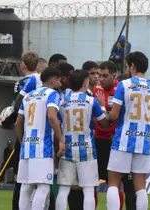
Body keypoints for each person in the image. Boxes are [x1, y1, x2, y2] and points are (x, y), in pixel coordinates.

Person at [0, 51, 56, 210]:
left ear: (22, 65)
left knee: (25, 183)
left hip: (27, 135)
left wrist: (7, 119)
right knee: (42, 183)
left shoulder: (25, 82)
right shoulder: (45, 87)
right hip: (42, 136)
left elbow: (18, 106)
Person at [105, 51, 150, 210]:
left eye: (128, 66)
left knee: (114, 182)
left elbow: (114, 115)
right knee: (140, 185)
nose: (127, 69)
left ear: (132, 66)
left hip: (124, 139)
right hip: (144, 140)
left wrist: (104, 112)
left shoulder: (124, 84)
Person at [55, 70, 109, 210]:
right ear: (85, 83)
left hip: (67, 148)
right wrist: (103, 106)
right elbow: (104, 123)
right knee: (89, 189)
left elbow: (57, 123)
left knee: (63, 190)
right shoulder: (91, 101)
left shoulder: (62, 102)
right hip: (87, 149)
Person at [15, 67, 65, 210]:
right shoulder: (52, 94)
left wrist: (22, 141)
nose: (60, 81)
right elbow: (51, 116)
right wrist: (61, 139)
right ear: (52, 79)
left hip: (27, 147)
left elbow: (18, 122)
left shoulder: (28, 95)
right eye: (58, 78)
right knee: (43, 187)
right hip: (43, 147)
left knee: (25, 187)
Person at [94, 61, 136, 210]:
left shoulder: (122, 89)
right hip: (98, 142)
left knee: (119, 183)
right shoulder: (96, 90)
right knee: (93, 182)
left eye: (104, 76)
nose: (101, 79)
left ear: (114, 76)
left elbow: (118, 116)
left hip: (116, 143)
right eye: (99, 75)